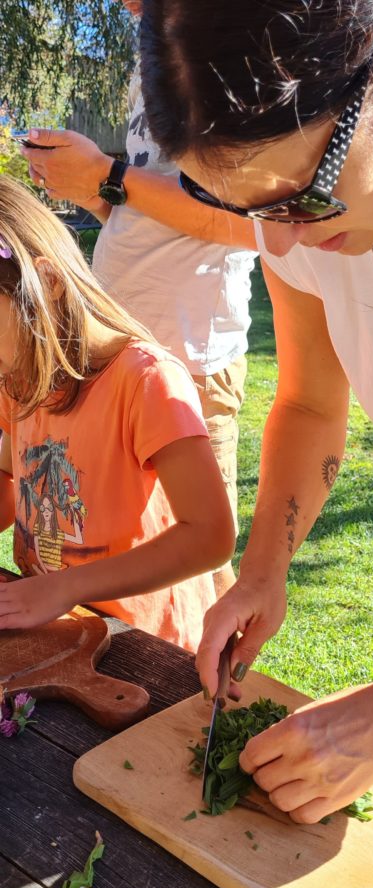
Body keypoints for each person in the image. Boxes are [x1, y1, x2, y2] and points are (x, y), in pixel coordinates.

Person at [137, 0, 373, 820]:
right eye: (247, 208)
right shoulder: (303, 223)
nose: (279, 245)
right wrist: (265, 567)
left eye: (299, 198)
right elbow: (310, 400)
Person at [20, 0, 256, 597]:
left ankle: (211, 689)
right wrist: (93, 191)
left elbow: (247, 219)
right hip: (111, 353)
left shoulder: (235, 42)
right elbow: (146, 211)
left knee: (199, 574)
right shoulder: (150, 50)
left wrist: (109, 175)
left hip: (187, 357)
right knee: (99, 549)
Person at [0, 174, 235, 651]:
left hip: (143, 646)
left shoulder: (146, 380)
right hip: (56, 627)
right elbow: (7, 482)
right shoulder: (18, 376)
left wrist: (66, 587)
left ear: (46, 283)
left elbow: (211, 536)